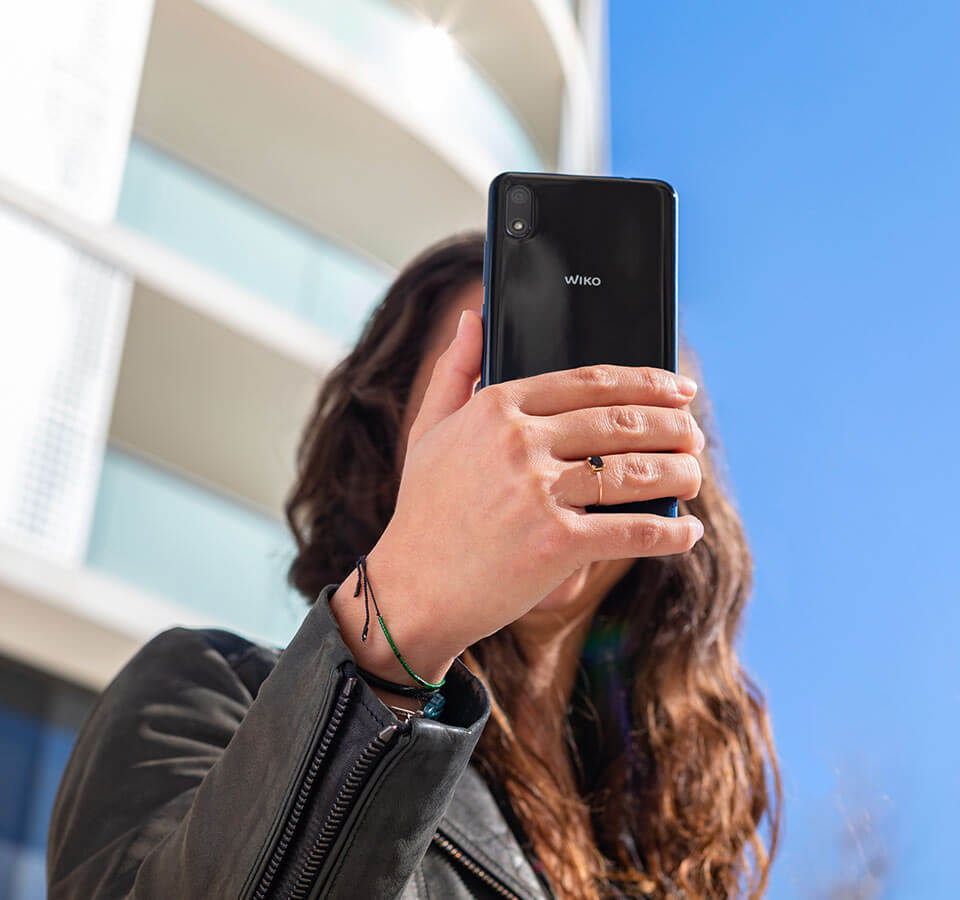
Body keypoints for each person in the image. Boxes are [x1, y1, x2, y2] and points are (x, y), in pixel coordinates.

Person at [47, 232, 781, 899]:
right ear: (393, 442)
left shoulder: (667, 863)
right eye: (505, 391)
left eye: (607, 393)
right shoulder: (210, 695)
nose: (557, 437)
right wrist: (404, 616)